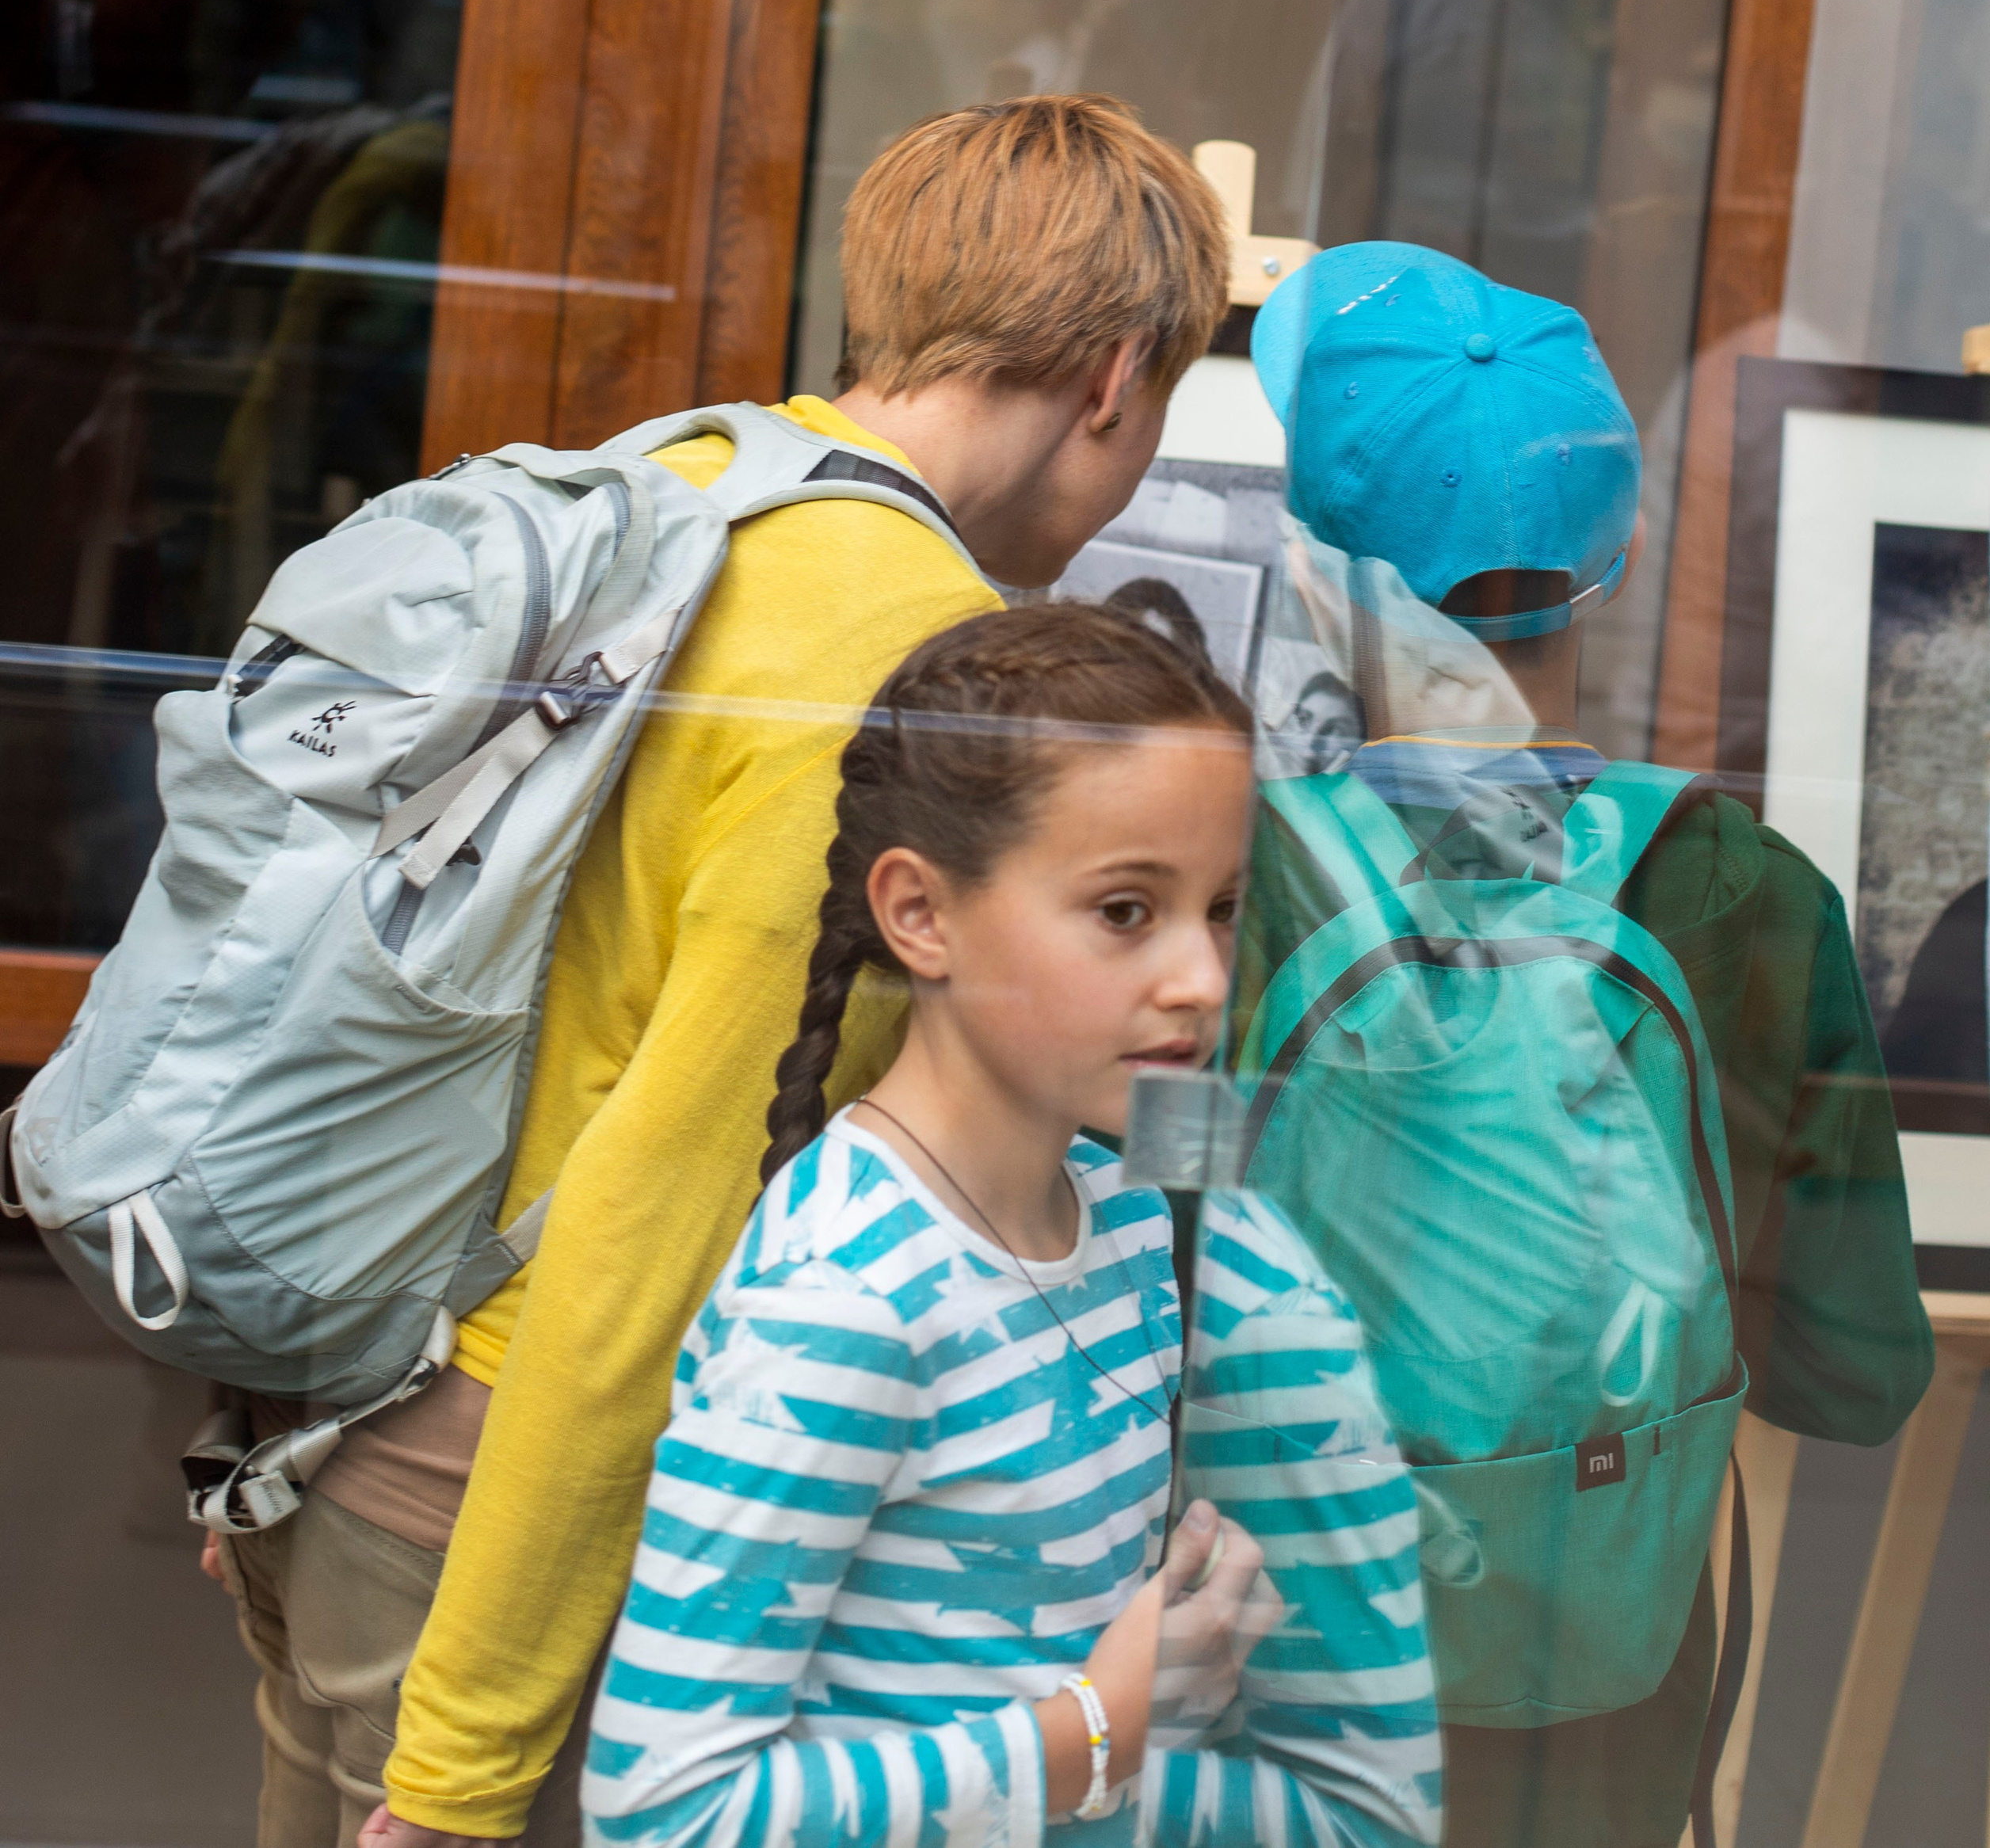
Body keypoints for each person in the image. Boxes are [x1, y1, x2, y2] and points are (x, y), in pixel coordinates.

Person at [204, 96, 1230, 1846]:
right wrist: (458, 1776)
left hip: (331, 1409)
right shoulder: (892, 653)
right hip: (497, 1518)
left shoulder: (686, 482)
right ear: (1118, 375)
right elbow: (655, 1219)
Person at [1235, 242, 1934, 1848]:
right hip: (1605, 1678)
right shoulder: (1744, 890)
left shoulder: (1222, 880)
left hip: (1274, 1682)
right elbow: (1855, 1371)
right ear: (1604, 561)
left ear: (1328, 567)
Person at [582, 603, 1443, 1846]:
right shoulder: (844, 1306)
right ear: (921, 917)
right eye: (1124, 911)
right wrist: (1101, 1722)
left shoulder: (1138, 1206)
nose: (1202, 976)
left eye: (1219, 908)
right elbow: (660, 1815)